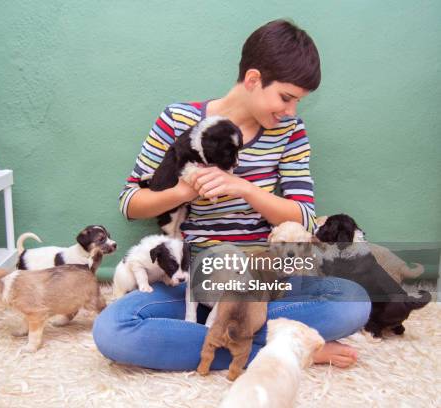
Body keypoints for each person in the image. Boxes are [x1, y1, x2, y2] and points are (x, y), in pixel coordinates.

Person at [93, 19, 371, 370]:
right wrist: (182, 191)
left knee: (354, 302)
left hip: (264, 275)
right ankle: (288, 348)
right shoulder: (177, 119)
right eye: (286, 98)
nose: (290, 110)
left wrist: (243, 187)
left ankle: (236, 338)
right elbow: (130, 203)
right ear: (253, 80)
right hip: (197, 276)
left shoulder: (290, 131)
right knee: (112, 330)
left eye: (297, 102)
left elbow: (302, 216)